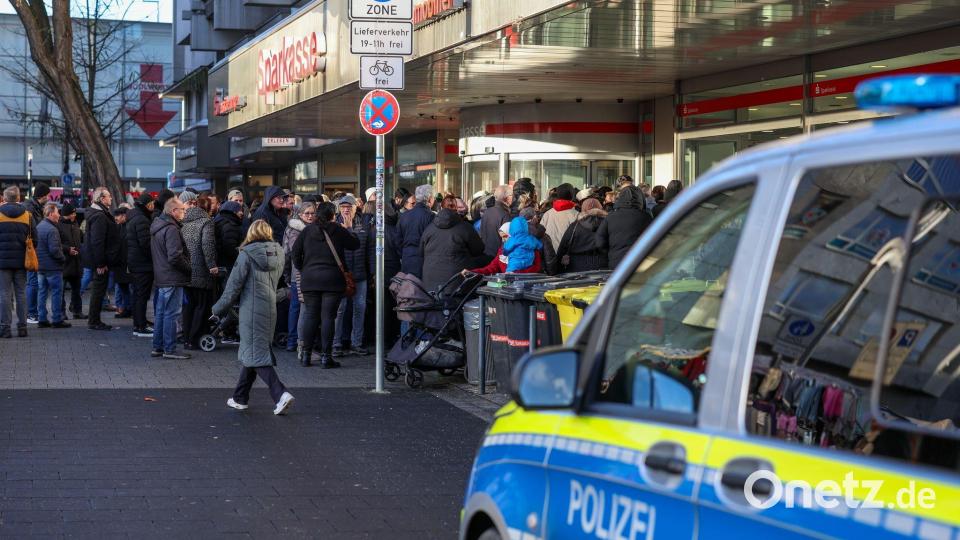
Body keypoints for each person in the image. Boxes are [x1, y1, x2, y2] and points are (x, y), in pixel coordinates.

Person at [213, 219, 295, 415]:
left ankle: (280, 393)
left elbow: (233, 288)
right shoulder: (279, 253)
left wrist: (217, 309)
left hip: (251, 310)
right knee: (253, 351)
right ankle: (240, 398)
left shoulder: (246, 255)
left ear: (250, 234)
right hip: (269, 308)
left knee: (256, 354)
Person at [292, 202, 360, 368]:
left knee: (310, 316)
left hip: (310, 280)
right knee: (328, 317)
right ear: (332, 215)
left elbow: (294, 254)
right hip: (332, 280)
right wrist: (350, 227)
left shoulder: (307, 230)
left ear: (317, 214)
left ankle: (306, 356)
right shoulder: (338, 230)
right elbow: (354, 245)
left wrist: (304, 268)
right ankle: (325, 357)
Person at [149, 197, 192, 360]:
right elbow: (175, 257)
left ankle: (158, 347)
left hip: (162, 276)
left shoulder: (158, 226)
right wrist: (189, 267)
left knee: (161, 313)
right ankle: (169, 349)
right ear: (173, 211)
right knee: (171, 314)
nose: (184, 212)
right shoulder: (172, 228)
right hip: (172, 277)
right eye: (182, 210)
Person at [420, 195, 485, 293]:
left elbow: (421, 252)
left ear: (441, 208)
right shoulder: (465, 228)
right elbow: (478, 249)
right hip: (457, 282)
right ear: (456, 208)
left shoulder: (429, 229)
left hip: (431, 282)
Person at [179, 193, 219, 351]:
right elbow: (207, 246)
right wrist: (212, 265)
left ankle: (187, 338)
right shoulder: (206, 222)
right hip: (201, 270)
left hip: (186, 270)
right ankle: (195, 338)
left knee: (188, 307)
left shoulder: (183, 221)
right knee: (202, 306)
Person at [331, 195, 368, 357]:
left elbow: (371, 250)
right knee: (339, 310)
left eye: (349, 207)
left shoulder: (365, 225)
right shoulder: (334, 225)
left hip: (360, 274)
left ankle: (356, 343)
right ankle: (336, 343)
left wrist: (372, 273)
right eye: (343, 207)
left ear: (355, 208)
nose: (346, 209)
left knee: (360, 308)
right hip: (340, 275)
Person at [81, 187, 122, 331]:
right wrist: (101, 263)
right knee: (98, 290)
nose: (111, 198)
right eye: (109, 196)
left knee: (99, 290)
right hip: (99, 261)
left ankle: (94, 320)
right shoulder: (99, 216)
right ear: (101, 199)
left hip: (99, 259)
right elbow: (97, 241)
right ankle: (94, 321)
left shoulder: (98, 213)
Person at [366, 198, 402, 347]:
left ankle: (378, 337)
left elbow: (370, 253)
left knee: (379, 306)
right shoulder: (394, 230)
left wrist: (373, 272)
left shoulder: (375, 230)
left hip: (378, 272)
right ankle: (388, 337)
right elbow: (399, 251)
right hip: (393, 270)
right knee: (390, 306)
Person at [282, 202, 316, 353]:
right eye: (307, 213)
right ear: (300, 215)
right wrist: (287, 275)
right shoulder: (296, 230)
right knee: (297, 308)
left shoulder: (311, 228)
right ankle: (293, 341)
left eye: (312, 213)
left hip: (308, 273)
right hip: (299, 273)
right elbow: (292, 254)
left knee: (299, 308)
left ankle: (298, 340)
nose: (310, 216)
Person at [0, 186, 32, 338]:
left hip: (2, 263)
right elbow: (35, 240)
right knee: (21, 294)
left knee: (4, 294)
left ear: (4, 199)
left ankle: (5, 328)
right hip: (21, 261)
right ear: (19, 198)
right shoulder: (27, 216)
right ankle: (22, 327)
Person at [596, 185, 652, 269]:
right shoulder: (646, 217)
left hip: (616, 262)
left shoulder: (611, 217)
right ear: (640, 199)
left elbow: (599, 241)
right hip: (640, 262)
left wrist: (611, 253)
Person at [35, 202, 69, 329]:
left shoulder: (39, 227)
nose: (59, 215)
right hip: (53, 267)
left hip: (41, 267)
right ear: (50, 214)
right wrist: (63, 258)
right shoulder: (52, 229)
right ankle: (57, 319)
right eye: (57, 212)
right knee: (56, 293)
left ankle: (42, 318)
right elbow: (55, 250)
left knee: (42, 292)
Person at [466, 219, 542, 276]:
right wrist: (473, 272)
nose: (503, 240)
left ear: (512, 235)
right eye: (501, 237)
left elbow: (536, 269)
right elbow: (491, 268)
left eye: (505, 236)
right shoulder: (502, 250)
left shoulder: (531, 249)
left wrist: (514, 274)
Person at [126, 193, 155, 337]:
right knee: (142, 295)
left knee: (138, 295)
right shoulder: (142, 219)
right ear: (147, 204)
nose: (153, 206)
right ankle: (140, 326)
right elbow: (145, 243)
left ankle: (139, 322)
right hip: (142, 264)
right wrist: (154, 257)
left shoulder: (134, 217)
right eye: (152, 203)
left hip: (136, 263)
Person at [555, 198, 608, 273]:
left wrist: (558, 267)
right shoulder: (609, 225)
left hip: (576, 267)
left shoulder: (575, 226)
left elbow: (563, 247)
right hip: (603, 265)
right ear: (601, 208)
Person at [396, 184, 435, 279]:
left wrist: (404, 254)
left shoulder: (404, 216)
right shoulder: (431, 216)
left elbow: (397, 241)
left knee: (408, 290)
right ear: (430, 199)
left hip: (407, 259)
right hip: (424, 261)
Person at [23, 182, 49, 324]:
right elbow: (35, 229)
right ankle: (31, 314)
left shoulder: (34, 207)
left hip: (32, 248)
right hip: (31, 249)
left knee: (32, 282)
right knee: (32, 282)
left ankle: (31, 313)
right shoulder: (31, 209)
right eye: (47, 195)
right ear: (43, 196)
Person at [57, 203, 85, 320]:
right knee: (61, 291)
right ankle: (61, 312)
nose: (74, 215)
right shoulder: (58, 226)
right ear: (66, 215)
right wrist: (68, 249)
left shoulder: (75, 224)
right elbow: (57, 243)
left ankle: (77, 311)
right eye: (72, 213)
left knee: (77, 290)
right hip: (64, 263)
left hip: (76, 262)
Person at [539, 183, 579, 253]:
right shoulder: (576, 215)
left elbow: (540, 234)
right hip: (568, 255)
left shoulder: (547, 214)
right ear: (572, 196)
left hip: (549, 254)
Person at [479, 184, 512, 260]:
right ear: (506, 198)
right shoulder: (504, 215)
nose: (513, 198)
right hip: (498, 257)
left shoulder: (487, 212)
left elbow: (482, 234)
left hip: (486, 254)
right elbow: (507, 239)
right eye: (511, 195)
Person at [111, 207, 132, 319]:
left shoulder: (129, 227)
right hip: (120, 264)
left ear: (124, 215)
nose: (116, 218)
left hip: (127, 264)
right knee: (123, 288)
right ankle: (127, 308)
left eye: (118, 215)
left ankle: (129, 309)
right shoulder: (119, 227)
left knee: (129, 288)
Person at [214, 200, 244, 271]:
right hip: (229, 264)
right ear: (233, 211)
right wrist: (241, 256)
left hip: (222, 262)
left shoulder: (221, 221)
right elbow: (230, 247)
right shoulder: (230, 225)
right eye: (240, 210)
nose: (242, 213)